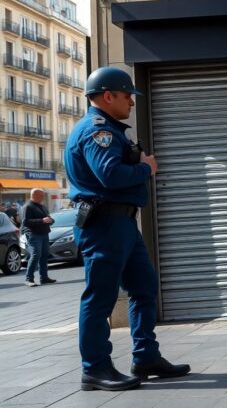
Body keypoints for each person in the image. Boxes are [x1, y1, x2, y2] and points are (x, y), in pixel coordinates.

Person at [65, 66, 190, 391]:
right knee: (100, 297)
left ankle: (146, 356)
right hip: (104, 224)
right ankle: (94, 369)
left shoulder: (110, 129)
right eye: (127, 96)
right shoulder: (97, 130)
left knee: (144, 287)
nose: (132, 103)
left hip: (121, 222)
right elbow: (110, 175)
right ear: (108, 96)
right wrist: (144, 168)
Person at [21, 188, 56, 287]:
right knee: (36, 255)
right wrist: (42, 221)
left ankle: (44, 278)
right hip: (33, 234)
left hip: (44, 233)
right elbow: (26, 222)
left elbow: (48, 218)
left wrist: (51, 220)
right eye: (41, 195)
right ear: (35, 195)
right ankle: (29, 279)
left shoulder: (42, 206)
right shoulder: (27, 207)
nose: (43, 197)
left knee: (44, 256)